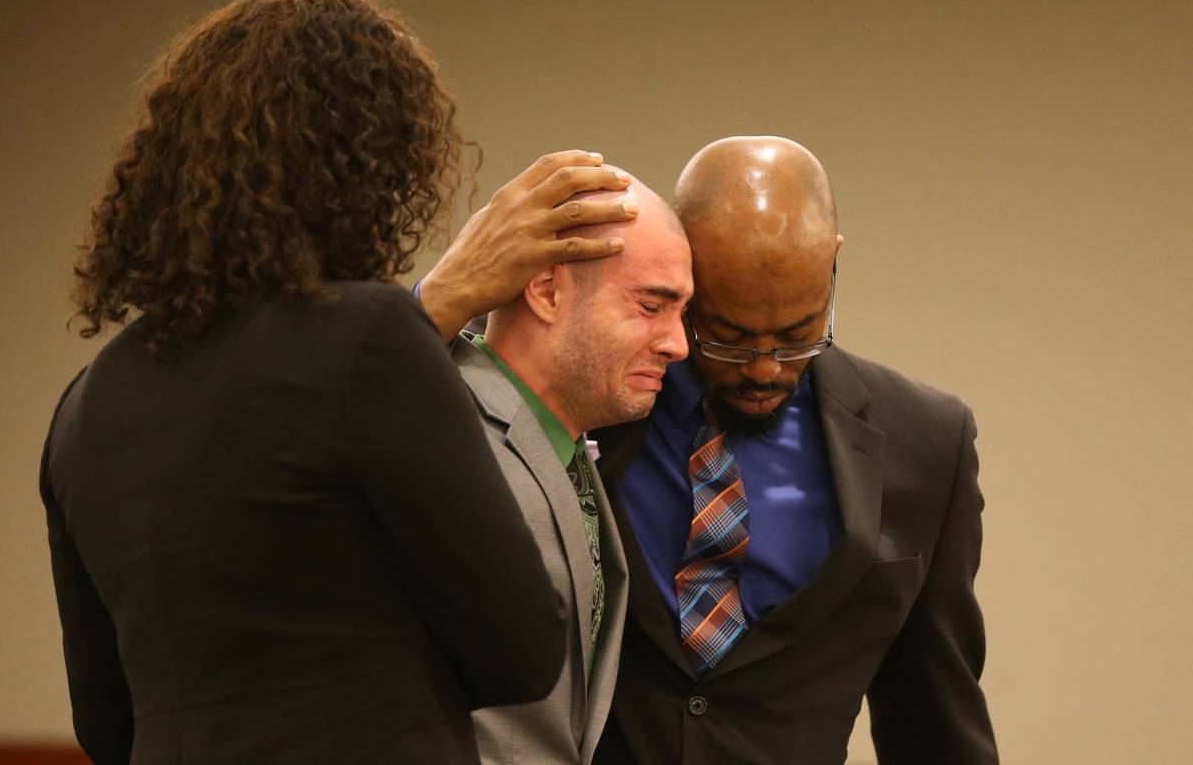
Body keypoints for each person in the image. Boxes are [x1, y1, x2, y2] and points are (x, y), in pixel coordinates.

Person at [40, 0, 632, 765]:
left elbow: (105, 721)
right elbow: (520, 648)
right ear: (374, 165)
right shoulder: (369, 341)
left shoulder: (87, 404)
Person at [422, 136, 998, 764]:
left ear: (832, 264)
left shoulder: (925, 440)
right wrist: (443, 294)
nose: (762, 368)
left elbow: (934, 717)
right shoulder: (592, 389)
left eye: (799, 335)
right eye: (726, 336)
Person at [454, 180, 693, 764]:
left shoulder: (574, 448)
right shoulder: (433, 422)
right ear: (545, 290)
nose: (679, 343)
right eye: (650, 305)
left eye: (682, 312)